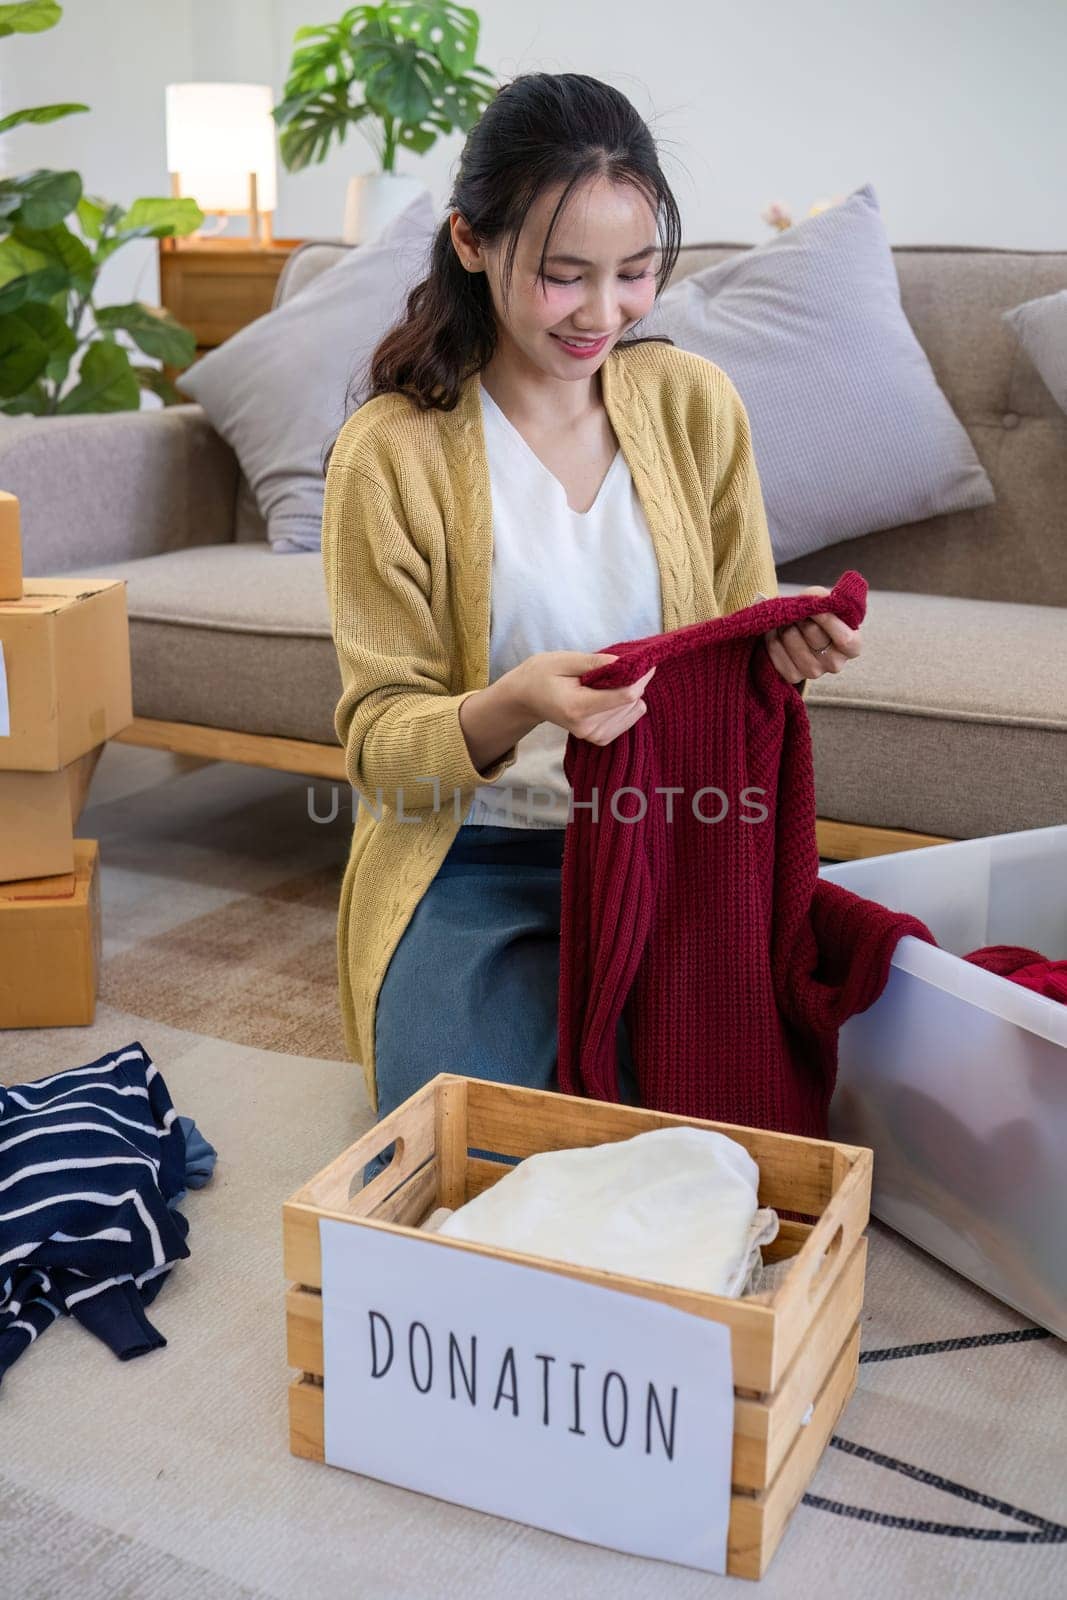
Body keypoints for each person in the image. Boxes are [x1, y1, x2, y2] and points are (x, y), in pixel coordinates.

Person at [319, 72, 863, 1185]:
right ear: (471, 242)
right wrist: (514, 700)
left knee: (714, 1142)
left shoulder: (692, 405)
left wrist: (786, 654)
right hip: (471, 858)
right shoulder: (391, 452)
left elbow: (740, 655)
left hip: (677, 845)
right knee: (471, 1153)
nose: (601, 314)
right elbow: (377, 744)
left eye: (635, 275)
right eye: (561, 277)